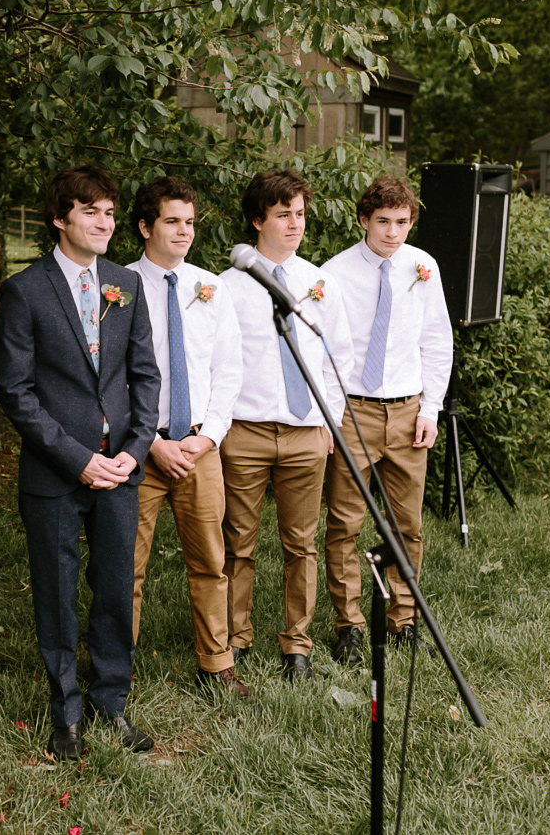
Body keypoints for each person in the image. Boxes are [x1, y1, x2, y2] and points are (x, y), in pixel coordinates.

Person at [0, 165, 161, 760]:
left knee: (116, 588)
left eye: (110, 212)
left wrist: (133, 452)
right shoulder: (26, 290)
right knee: (57, 593)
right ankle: (64, 712)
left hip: (120, 471)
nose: (104, 223)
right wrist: (78, 459)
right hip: (56, 475)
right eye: (91, 211)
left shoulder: (126, 285)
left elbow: (145, 377)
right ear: (60, 217)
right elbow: (16, 391)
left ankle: (110, 704)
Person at [216, 170, 353, 681]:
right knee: (239, 541)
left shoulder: (320, 284)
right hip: (246, 432)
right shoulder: (226, 287)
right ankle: (235, 636)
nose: (295, 224)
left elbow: (339, 356)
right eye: (282, 215)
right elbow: (218, 361)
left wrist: (331, 425)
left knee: (302, 543)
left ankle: (298, 644)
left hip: (306, 431)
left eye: (299, 213)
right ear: (258, 220)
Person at [124, 177, 248, 699]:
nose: (183, 231)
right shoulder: (117, 286)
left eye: (190, 222)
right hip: (137, 448)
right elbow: (110, 377)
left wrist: (209, 437)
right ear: (145, 227)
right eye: (172, 221)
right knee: (125, 563)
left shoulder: (210, 286)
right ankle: (117, 667)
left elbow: (228, 369)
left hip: (198, 446)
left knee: (211, 560)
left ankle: (217, 663)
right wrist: (150, 441)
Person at [321, 176, 453, 664]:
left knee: (407, 523)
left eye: (402, 222)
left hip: (408, 410)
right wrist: (330, 417)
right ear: (363, 221)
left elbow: (437, 341)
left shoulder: (424, 267)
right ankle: (350, 623)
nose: (393, 233)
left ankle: (404, 616)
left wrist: (431, 408)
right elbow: (323, 350)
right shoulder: (332, 274)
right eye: (383, 222)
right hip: (353, 410)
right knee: (345, 522)